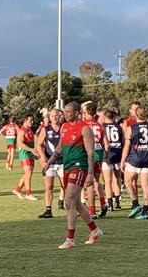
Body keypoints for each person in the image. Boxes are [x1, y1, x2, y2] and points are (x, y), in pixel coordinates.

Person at [42, 101, 103, 249]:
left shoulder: (85, 128)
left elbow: (90, 152)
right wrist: (48, 162)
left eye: (68, 112)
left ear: (77, 113)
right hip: (67, 166)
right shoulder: (64, 127)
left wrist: (89, 173)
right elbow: (60, 147)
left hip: (79, 167)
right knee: (76, 203)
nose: (65, 114)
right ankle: (95, 230)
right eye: (64, 112)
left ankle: (70, 239)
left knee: (68, 201)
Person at [120, 105, 148, 220]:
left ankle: (135, 204)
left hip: (134, 159)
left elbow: (127, 147)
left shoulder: (131, 128)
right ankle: (145, 212)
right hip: (147, 160)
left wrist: (123, 161)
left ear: (136, 114)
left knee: (127, 181)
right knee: (146, 186)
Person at [82, 101, 109, 218]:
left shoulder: (83, 124)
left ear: (86, 111)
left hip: (89, 153)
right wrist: (105, 156)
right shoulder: (99, 125)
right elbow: (106, 144)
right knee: (97, 181)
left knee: (89, 183)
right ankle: (103, 204)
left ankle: (92, 211)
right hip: (99, 153)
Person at [37, 108, 64, 218]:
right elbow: (39, 144)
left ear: (60, 116)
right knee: (49, 187)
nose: (54, 118)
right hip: (50, 162)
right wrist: (43, 157)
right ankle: (48, 210)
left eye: (56, 115)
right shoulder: (46, 129)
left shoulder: (64, 128)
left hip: (62, 162)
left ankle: (68, 205)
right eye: (52, 116)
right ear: (49, 117)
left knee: (65, 186)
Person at [13, 113, 39, 201]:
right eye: (30, 120)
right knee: (28, 172)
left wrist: (34, 153)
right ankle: (28, 193)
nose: (32, 122)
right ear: (25, 121)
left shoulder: (30, 130)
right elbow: (20, 143)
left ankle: (18, 190)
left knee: (28, 173)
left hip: (30, 154)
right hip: (24, 154)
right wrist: (31, 150)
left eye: (32, 120)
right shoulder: (22, 131)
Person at [101, 109, 123, 211]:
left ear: (105, 117)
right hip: (118, 153)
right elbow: (122, 141)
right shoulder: (118, 127)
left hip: (107, 154)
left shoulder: (103, 127)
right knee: (118, 178)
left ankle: (110, 203)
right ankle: (117, 201)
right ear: (113, 117)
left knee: (108, 181)